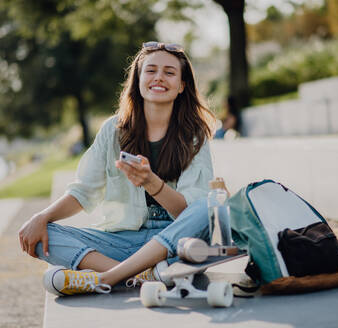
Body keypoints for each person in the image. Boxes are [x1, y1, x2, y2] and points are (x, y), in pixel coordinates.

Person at [18, 41, 216, 296]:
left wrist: (151, 183)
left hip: (173, 241)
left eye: (169, 72)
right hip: (124, 240)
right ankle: (144, 276)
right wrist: (41, 218)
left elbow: (188, 214)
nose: (159, 78)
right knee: (43, 235)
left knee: (208, 207)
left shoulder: (194, 135)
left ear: (181, 86)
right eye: (151, 70)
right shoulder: (113, 130)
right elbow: (83, 192)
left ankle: (110, 277)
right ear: (138, 79)